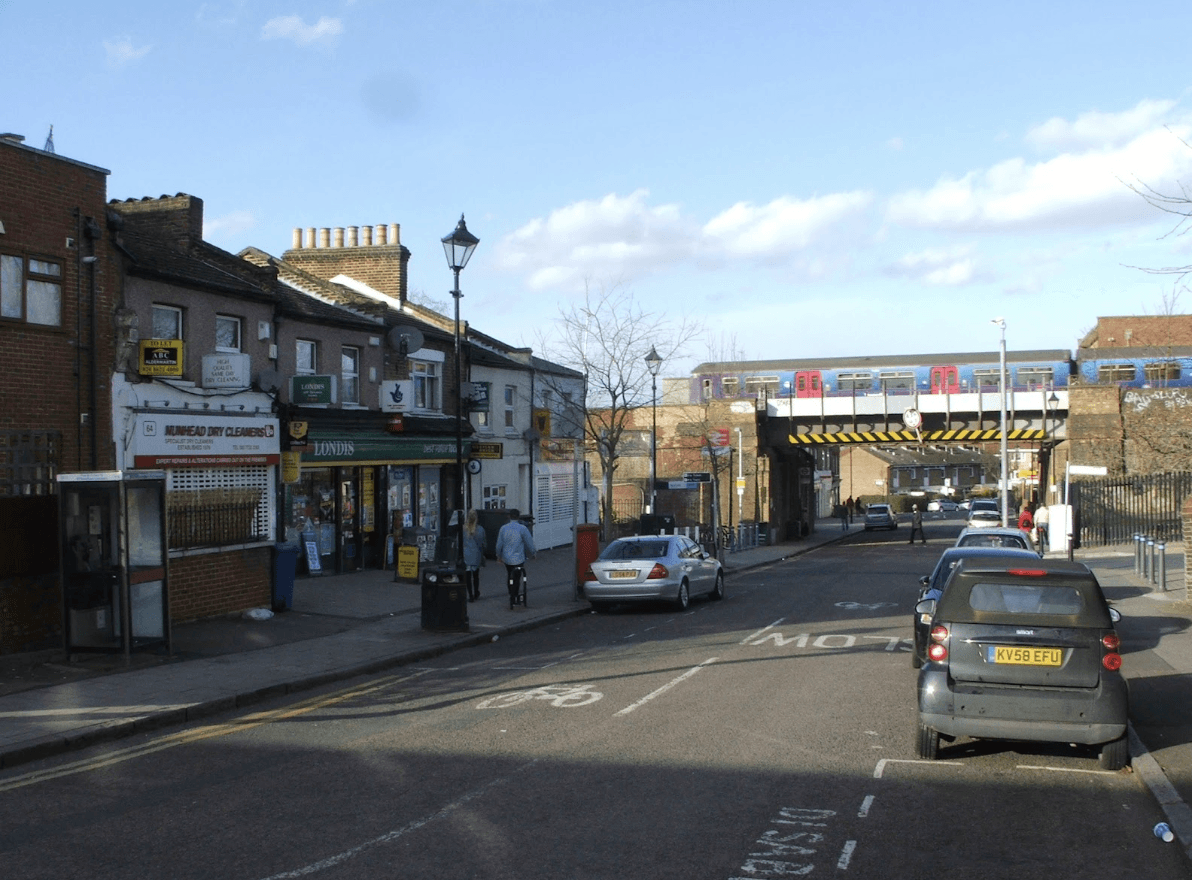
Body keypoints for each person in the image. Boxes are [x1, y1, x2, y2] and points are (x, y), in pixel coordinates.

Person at [495, 508, 536, 609]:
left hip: (507, 559)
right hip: (518, 558)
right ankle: (515, 595)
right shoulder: (522, 528)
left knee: (510, 575)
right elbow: (529, 543)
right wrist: (533, 553)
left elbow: (499, 545)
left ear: (509, 516)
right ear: (518, 517)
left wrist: (498, 555)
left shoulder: (503, 528)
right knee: (517, 577)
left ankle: (511, 594)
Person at [461, 509, 486, 601]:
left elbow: (459, 542)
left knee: (467, 576)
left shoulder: (463, 529)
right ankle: (476, 592)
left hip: (466, 555)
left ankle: (470, 594)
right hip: (476, 555)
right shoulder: (480, 529)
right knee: (476, 576)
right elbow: (483, 544)